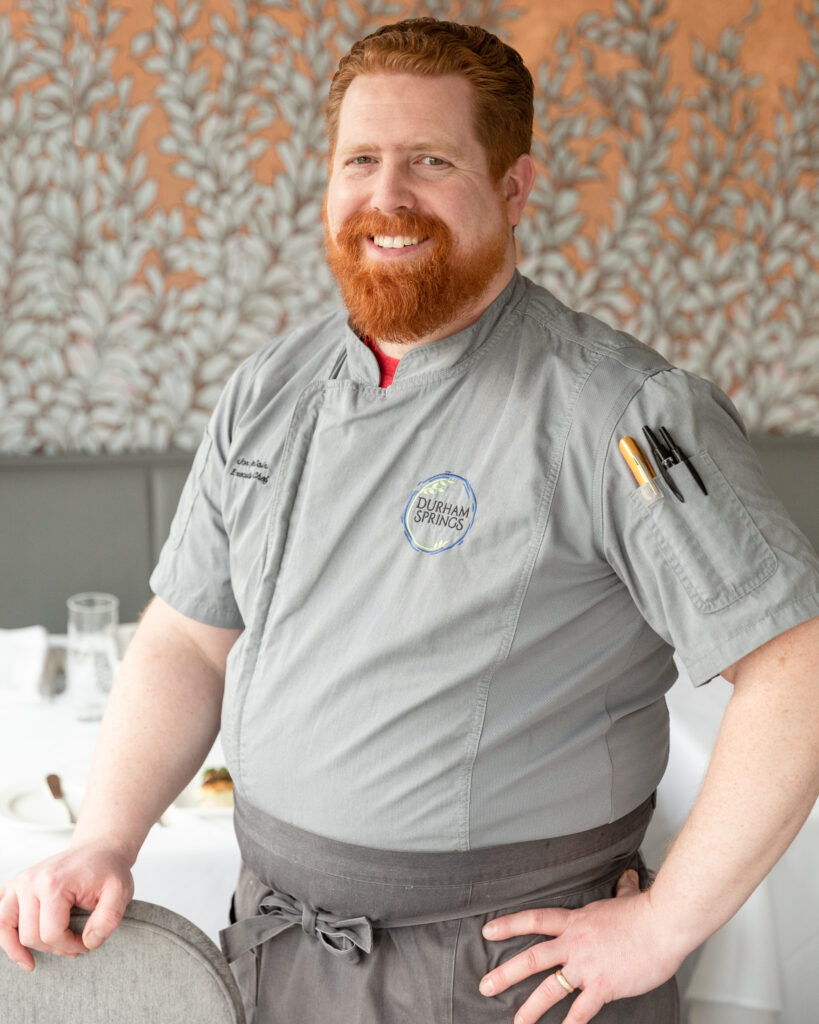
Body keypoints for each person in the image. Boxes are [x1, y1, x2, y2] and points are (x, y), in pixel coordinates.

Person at [1, 17, 818, 1024]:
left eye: (430, 162)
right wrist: (107, 835)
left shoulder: (620, 410)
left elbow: (799, 662)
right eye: (361, 161)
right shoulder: (271, 388)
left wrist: (663, 926)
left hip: (499, 977)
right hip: (280, 949)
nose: (386, 198)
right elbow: (187, 639)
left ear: (515, 190)